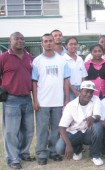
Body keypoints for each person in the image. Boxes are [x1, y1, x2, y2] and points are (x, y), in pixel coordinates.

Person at [32, 33, 70, 165]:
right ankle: (41, 153)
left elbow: (66, 81)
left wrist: (66, 100)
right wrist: (35, 100)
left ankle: (53, 151)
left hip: (58, 101)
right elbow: (34, 82)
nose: (48, 43)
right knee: (42, 128)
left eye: (50, 41)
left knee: (56, 128)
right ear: (42, 44)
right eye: (45, 41)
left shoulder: (62, 60)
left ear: (54, 43)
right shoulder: (37, 61)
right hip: (43, 102)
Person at [0, 32, 35, 169]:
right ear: (10, 41)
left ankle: (24, 152)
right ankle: (13, 158)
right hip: (11, 99)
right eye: (16, 39)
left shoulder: (29, 57)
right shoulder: (4, 57)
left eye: (22, 39)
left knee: (28, 130)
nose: (20, 41)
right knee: (11, 131)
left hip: (27, 98)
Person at [56, 81, 104, 166]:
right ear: (81, 91)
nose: (89, 94)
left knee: (98, 126)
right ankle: (77, 150)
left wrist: (92, 117)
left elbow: (98, 116)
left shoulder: (95, 99)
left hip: (87, 132)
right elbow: (62, 127)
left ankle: (95, 155)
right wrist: (68, 145)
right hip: (74, 133)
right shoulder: (71, 106)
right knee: (60, 148)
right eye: (86, 91)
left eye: (91, 92)